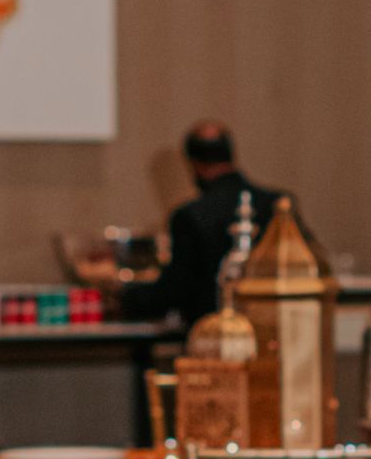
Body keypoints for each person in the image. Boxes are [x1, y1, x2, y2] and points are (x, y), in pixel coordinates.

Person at [119, 122, 287, 330]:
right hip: (273, 330)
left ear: (194, 164)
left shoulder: (189, 216)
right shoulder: (279, 205)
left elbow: (176, 289)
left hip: (212, 335)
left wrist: (125, 296)